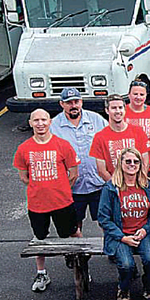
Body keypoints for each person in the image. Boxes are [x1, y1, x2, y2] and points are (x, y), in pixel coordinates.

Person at [15, 109, 80, 293]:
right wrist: (42, 187)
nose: (40, 123)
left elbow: (73, 173)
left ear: (50, 122)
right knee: (39, 239)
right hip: (37, 205)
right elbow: (24, 177)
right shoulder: (23, 148)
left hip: (62, 202)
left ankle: (81, 267)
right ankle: (42, 273)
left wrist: (58, 187)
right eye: (36, 120)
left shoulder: (62, 145)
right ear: (30, 123)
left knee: (74, 233)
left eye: (43, 119)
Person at [96, 147, 150, 300]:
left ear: (140, 164)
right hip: (121, 234)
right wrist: (122, 237)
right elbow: (103, 218)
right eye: (128, 161)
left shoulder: (149, 186)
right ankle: (123, 288)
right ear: (120, 164)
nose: (132, 164)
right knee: (127, 265)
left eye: (136, 161)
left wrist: (146, 229)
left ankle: (149, 285)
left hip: (143, 232)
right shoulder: (111, 188)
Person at [50, 87, 106, 233]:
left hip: (98, 183)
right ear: (62, 104)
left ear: (81, 102)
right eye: (69, 102)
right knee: (74, 225)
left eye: (76, 101)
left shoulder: (96, 119)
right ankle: (78, 254)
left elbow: (109, 143)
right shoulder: (54, 126)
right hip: (72, 187)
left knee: (105, 222)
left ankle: (111, 252)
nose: (73, 105)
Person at [90, 95, 150, 181]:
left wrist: (139, 181)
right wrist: (116, 186)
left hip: (137, 184)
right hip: (115, 186)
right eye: (114, 108)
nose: (118, 111)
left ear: (125, 110)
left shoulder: (138, 132)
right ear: (107, 110)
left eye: (120, 107)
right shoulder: (99, 137)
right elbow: (102, 170)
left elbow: (145, 162)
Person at [124, 80, 150, 181]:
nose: (138, 97)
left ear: (146, 96)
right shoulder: (122, 112)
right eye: (135, 94)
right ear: (129, 95)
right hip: (127, 169)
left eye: (141, 94)